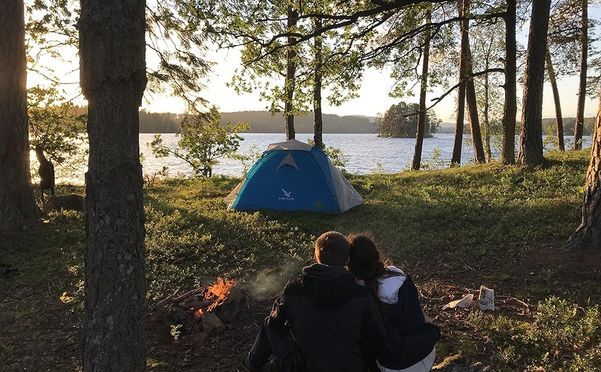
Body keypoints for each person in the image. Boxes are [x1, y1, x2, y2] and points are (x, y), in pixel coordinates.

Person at [243, 231, 389, 372]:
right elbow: (377, 337)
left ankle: (252, 363)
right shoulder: (361, 296)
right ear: (347, 260)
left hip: (302, 368)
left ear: (316, 256)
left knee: (269, 324)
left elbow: (275, 324)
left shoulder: (294, 290)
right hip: (352, 367)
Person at [348, 234, 440, 372]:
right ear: (377, 255)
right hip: (425, 352)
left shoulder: (357, 294)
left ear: (350, 266)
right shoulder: (397, 275)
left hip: (395, 366)